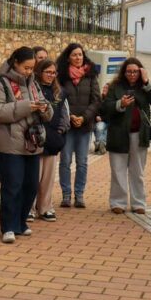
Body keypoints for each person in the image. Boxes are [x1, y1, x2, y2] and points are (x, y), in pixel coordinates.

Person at [0, 46, 53, 243]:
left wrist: (45, 108)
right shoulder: (1, 84)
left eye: (32, 68)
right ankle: (8, 227)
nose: (29, 71)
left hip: (32, 143)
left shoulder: (33, 84)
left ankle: (21, 222)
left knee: (31, 186)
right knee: (12, 186)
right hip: (10, 143)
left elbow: (48, 112)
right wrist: (26, 106)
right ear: (15, 63)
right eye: (26, 67)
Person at [102, 58, 151, 214]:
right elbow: (105, 108)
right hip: (118, 133)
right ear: (124, 72)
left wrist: (147, 81)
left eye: (135, 71)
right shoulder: (114, 86)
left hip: (139, 134)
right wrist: (120, 104)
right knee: (118, 170)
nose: (132, 74)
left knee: (138, 171)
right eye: (129, 71)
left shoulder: (144, 87)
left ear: (141, 72)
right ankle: (118, 202)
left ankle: (138, 203)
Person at [57, 43, 100, 208]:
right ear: (68, 57)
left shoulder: (91, 75)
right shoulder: (61, 75)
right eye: (74, 55)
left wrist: (84, 117)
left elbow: (96, 100)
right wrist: (69, 117)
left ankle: (79, 195)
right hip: (67, 126)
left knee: (82, 162)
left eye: (80, 54)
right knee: (65, 161)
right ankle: (66, 195)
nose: (78, 57)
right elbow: (58, 99)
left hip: (84, 126)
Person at [33, 58, 70, 220]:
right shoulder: (33, 89)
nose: (51, 75)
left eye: (53, 73)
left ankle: (45, 207)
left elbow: (65, 115)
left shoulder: (60, 92)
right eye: (47, 72)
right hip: (36, 138)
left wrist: (60, 132)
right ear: (40, 72)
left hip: (53, 139)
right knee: (34, 177)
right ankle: (29, 207)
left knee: (48, 178)